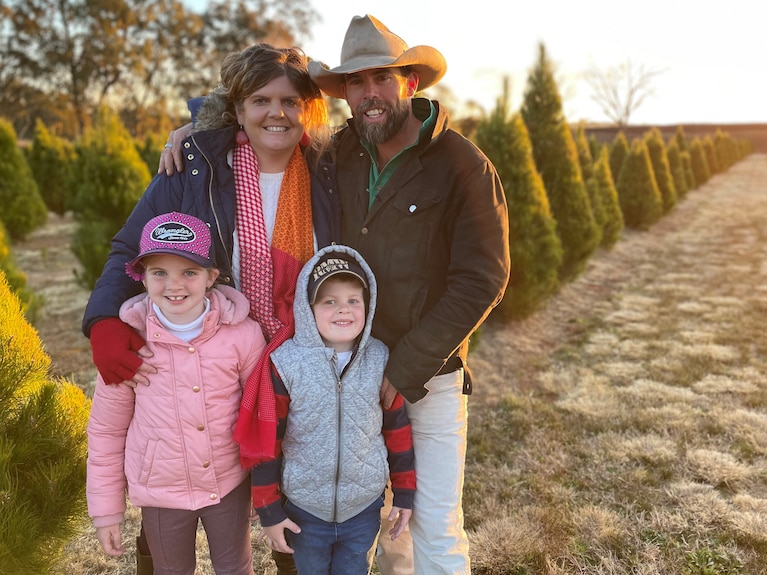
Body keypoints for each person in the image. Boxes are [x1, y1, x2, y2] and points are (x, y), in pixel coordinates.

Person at [162, 15, 510, 574]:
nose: (367, 94)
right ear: (344, 92)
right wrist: (192, 134)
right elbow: (260, 121)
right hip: (339, 369)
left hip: (424, 377)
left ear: (411, 82)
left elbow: (483, 279)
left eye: (381, 78)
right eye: (354, 81)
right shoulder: (340, 153)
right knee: (371, 521)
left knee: (430, 525)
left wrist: (405, 366)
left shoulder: (461, 165)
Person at [82, 43, 337, 575]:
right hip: (204, 363)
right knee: (177, 498)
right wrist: (104, 320)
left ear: (309, 109)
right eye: (261, 100)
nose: (276, 113)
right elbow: (130, 249)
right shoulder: (192, 170)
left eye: (291, 101)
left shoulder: (332, 174)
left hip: (300, 366)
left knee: (294, 506)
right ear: (238, 108)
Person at [86, 212, 267, 574]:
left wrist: (264, 485)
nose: (174, 285)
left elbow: (261, 415)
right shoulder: (128, 344)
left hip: (227, 483)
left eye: (189, 272)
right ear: (142, 277)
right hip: (160, 490)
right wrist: (107, 510)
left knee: (236, 567)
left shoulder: (243, 336)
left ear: (211, 276)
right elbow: (107, 432)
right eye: (159, 273)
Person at [249, 244, 415, 574]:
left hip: (363, 507)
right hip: (305, 511)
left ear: (368, 306)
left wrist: (405, 493)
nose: (344, 309)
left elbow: (398, 431)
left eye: (354, 300)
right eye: (330, 301)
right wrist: (268, 509)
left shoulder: (381, 359)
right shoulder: (286, 364)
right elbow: (268, 442)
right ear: (307, 308)